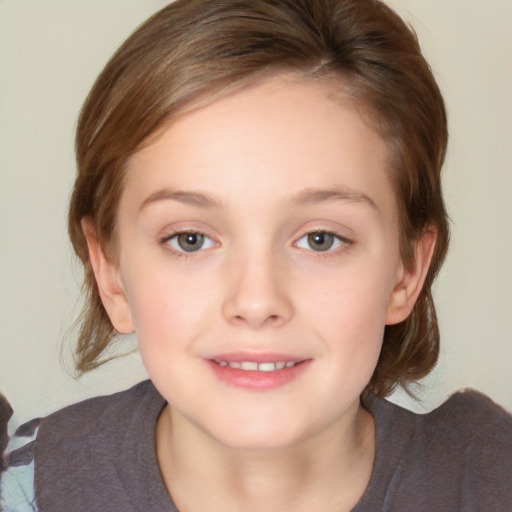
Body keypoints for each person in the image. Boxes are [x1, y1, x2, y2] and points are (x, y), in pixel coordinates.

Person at [1, 0, 511, 510]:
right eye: (190, 239)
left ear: (407, 272)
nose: (256, 301)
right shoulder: (27, 489)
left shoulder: (491, 483)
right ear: (110, 273)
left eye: (320, 239)